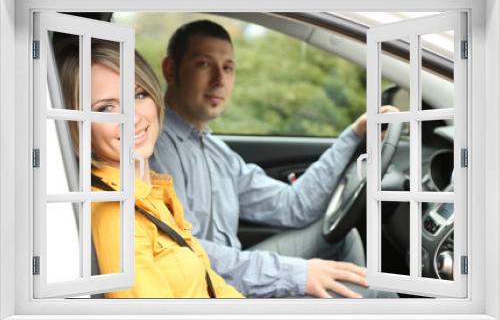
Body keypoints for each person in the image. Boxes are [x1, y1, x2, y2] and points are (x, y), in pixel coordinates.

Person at [149, 20, 399, 298]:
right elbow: (187, 255)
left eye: (228, 68)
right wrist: (296, 274)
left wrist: (354, 134)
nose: (219, 79)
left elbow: (292, 205)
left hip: (230, 270)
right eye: (205, 64)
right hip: (207, 291)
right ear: (170, 70)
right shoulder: (155, 146)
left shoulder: (217, 152)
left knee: (341, 237)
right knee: (369, 290)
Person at [56, 39, 244, 298]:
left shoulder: (153, 188)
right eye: (107, 107)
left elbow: (211, 283)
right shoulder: (116, 213)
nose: (133, 118)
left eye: (138, 94)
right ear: (78, 124)